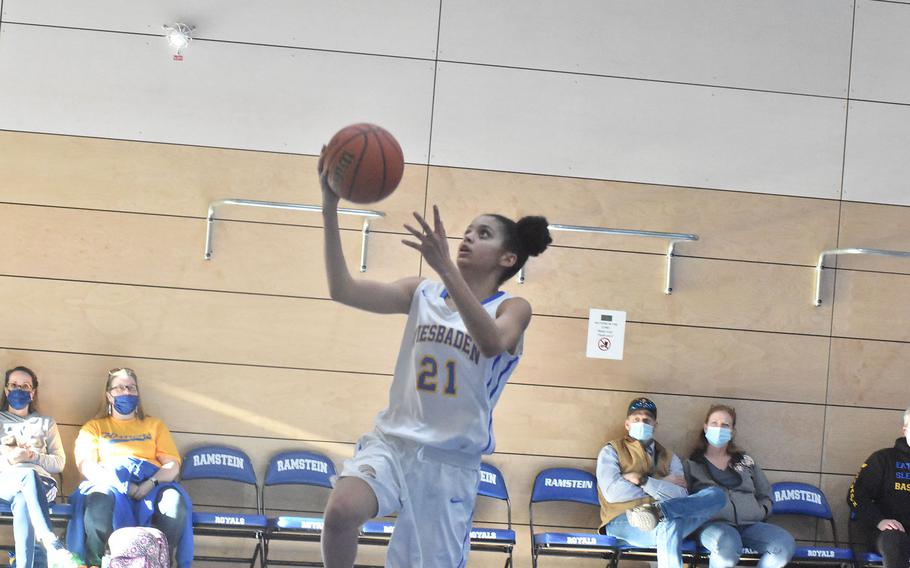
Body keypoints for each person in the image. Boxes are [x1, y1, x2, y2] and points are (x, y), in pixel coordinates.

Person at [317, 154, 552, 567]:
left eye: (483, 234)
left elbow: (493, 343)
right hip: (393, 443)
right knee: (340, 512)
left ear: (507, 259)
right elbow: (343, 289)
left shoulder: (512, 307)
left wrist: (447, 269)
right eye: (467, 231)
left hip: (449, 463)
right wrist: (329, 206)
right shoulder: (421, 293)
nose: (468, 238)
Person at [66, 368, 192, 568]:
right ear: (109, 395)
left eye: (131, 388)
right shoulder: (93, 428)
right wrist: (121, 484)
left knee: (174, 502)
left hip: (151, 485)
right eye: (120, 388)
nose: (126, 392)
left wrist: (151, 483)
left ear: (138, 393)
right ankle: (95, 563)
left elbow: (172, 465)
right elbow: (87, 466)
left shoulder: (154, 425)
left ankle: (158, 561)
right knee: (97, 502)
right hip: (110, 484)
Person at [596, 397, 726, 568]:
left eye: (647, 420)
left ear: (655, 425)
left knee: (717, 495)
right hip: (624, 520)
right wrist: (663, 484)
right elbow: (613, 493)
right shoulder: (612, 450)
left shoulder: (669, 457)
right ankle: (661, 512)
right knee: (669, 522)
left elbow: (681, 494)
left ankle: (660, 511)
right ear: (627, 424)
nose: (641, 423)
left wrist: (643, 481)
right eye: (636, 419)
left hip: (668, 517)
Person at [685, 404, 795, 568]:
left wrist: (761, 511)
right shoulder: (691, 464)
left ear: (732, 432)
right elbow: (682, 500)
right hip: (713, 526)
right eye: (714, 423)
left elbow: (766, 493)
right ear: (705, 427)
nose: (719, 428)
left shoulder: (746, 461)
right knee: (728, 546)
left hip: (750, 524)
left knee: (784, 544)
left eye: (725, 425)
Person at [0, 366, 81, 568]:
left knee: (23, 502)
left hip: (42, 485)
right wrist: (11, 460)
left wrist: (32, 456)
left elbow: (59, 462)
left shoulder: (46, 423)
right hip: (5, 483)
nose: (19, 389)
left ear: (33, 392)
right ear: (6, 389)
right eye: (14, 385)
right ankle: (50, 541)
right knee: (25, 477)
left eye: (25, 386)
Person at [848, 406, 910, 568]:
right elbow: (855, 495)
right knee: (894, 540)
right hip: (888, 534)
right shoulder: (882, 459)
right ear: (905, 430)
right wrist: (879, 521)